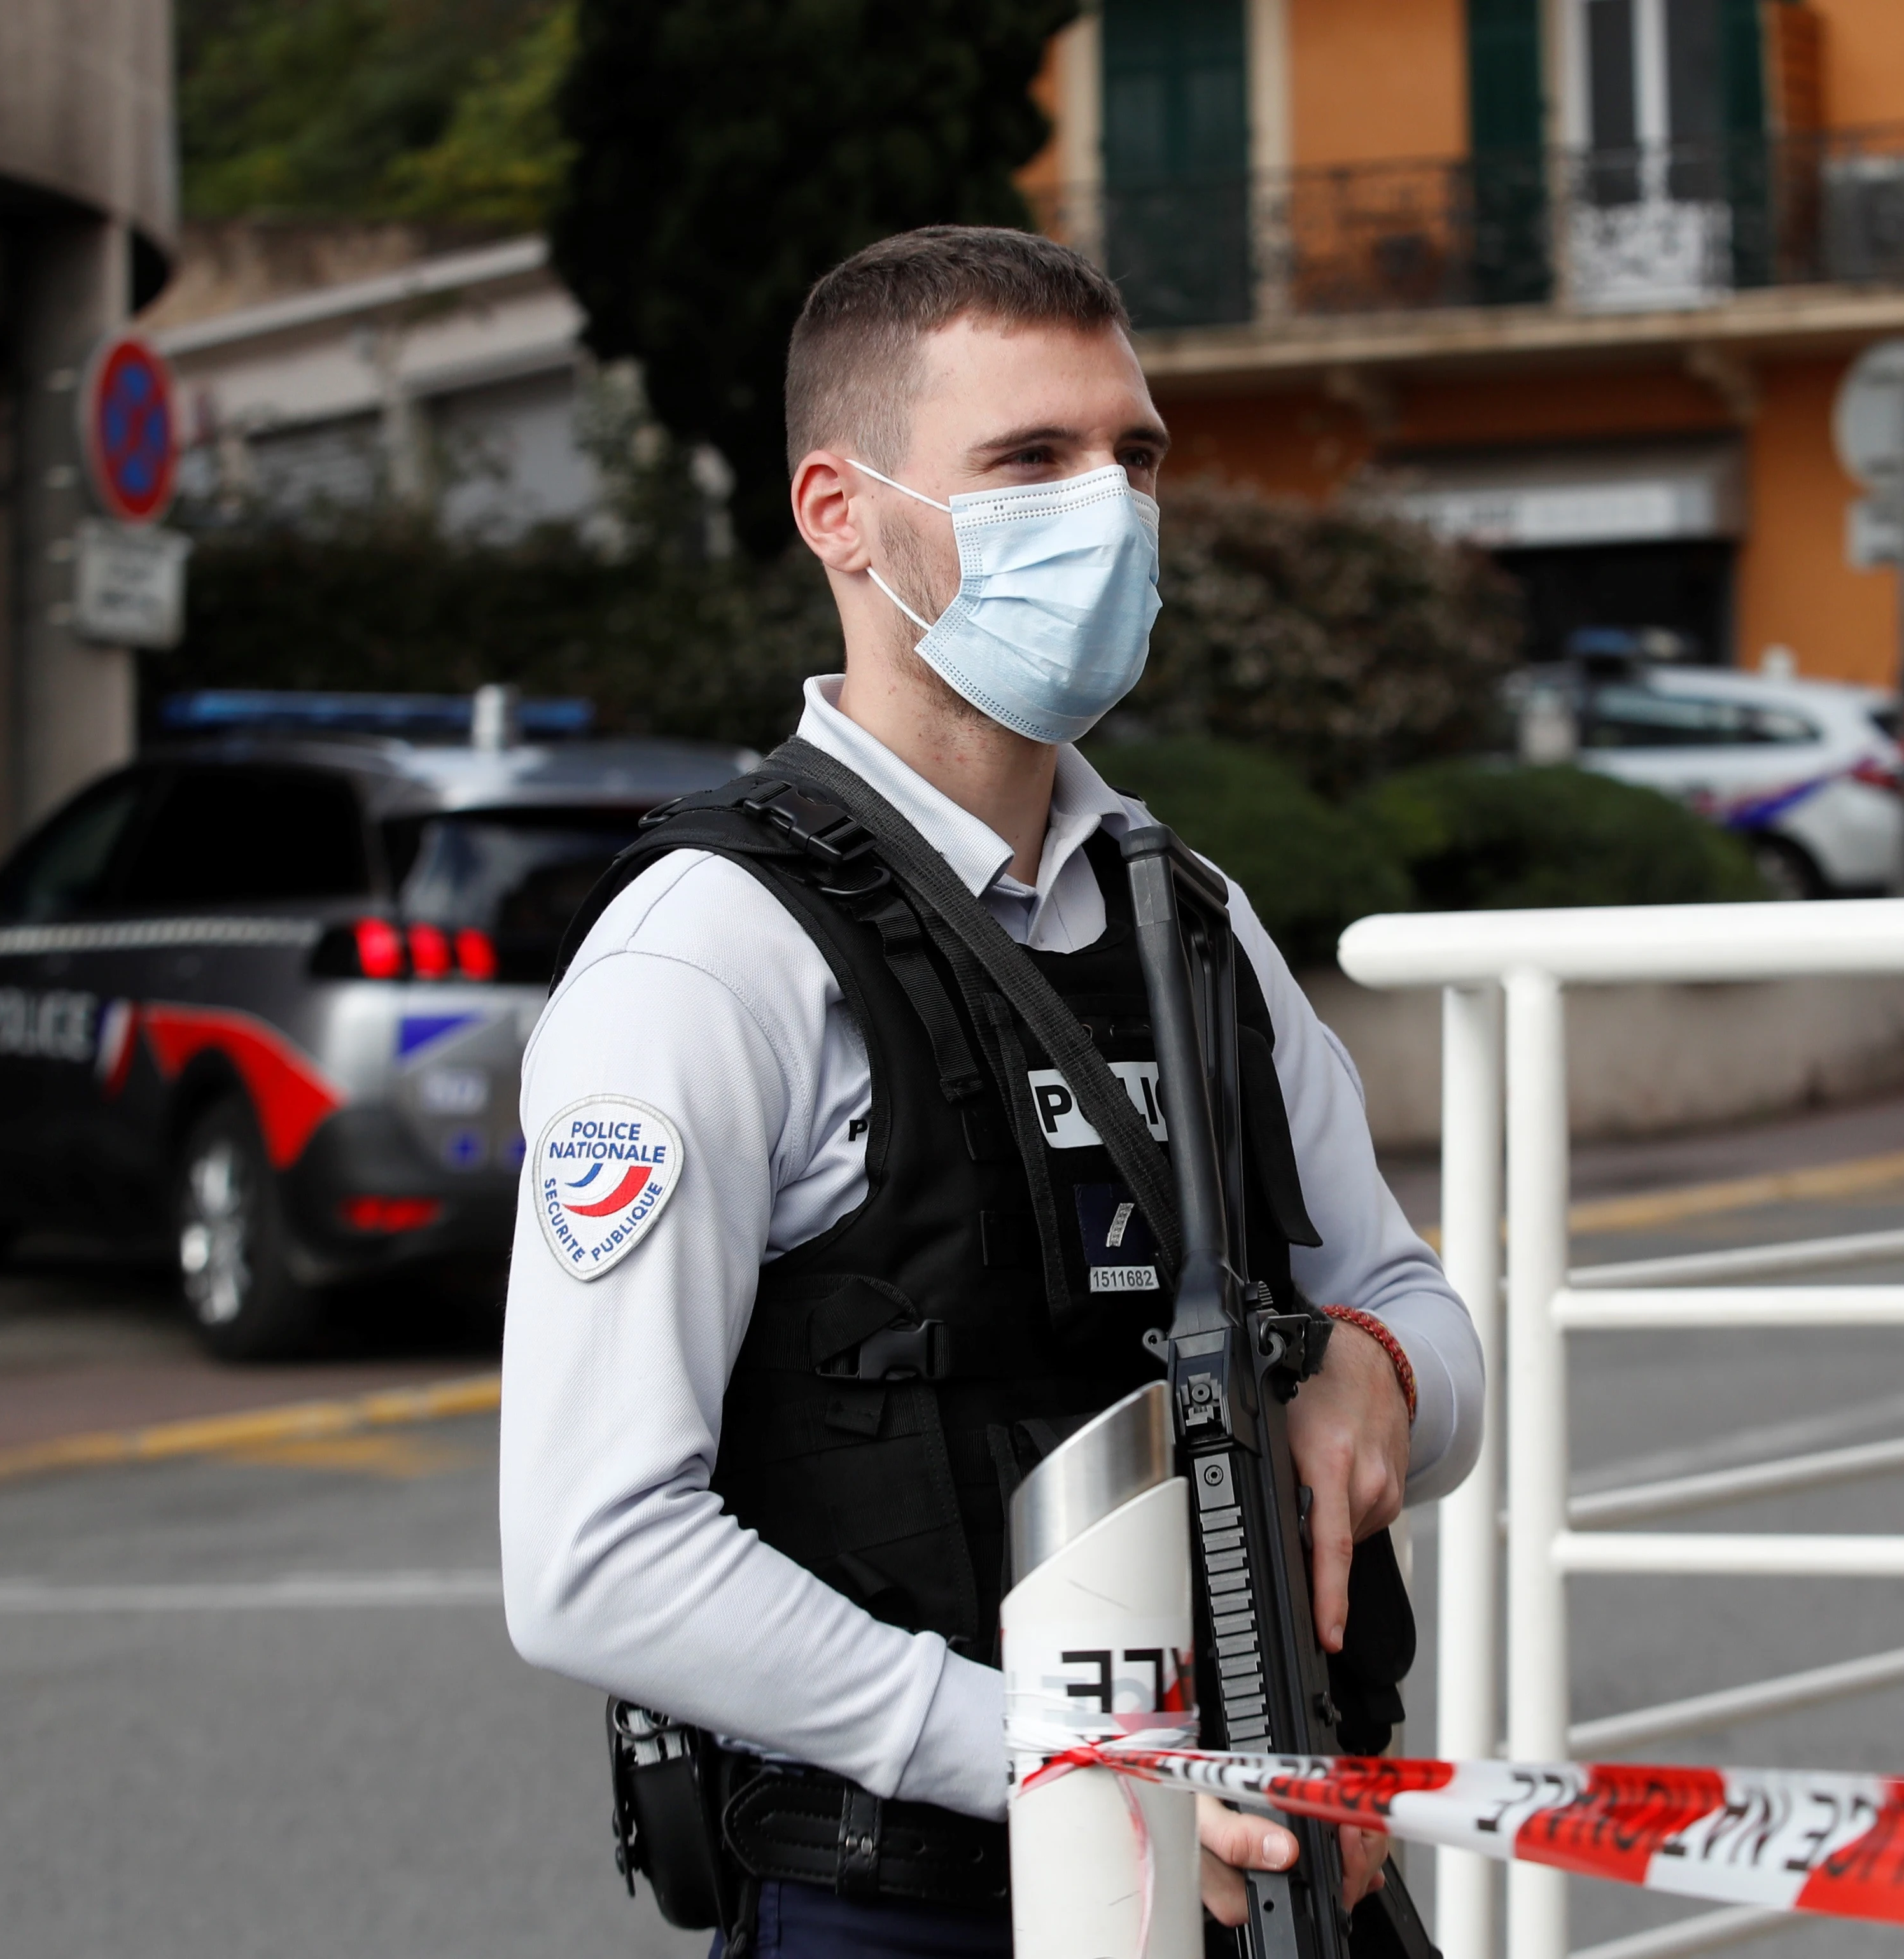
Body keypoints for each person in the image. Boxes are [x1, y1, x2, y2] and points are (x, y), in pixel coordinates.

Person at [496, 227, 1483, 1959]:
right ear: (839, 511)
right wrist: (1068, 1764)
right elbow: (594, 1550)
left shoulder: (1193, 916)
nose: (1105, 505)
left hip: (1278, 1882)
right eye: (1030, 460)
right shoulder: (709, 956)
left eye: (1135, 454)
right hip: (919, 1900)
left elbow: (1408, 1300)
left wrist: (1379, 1374)